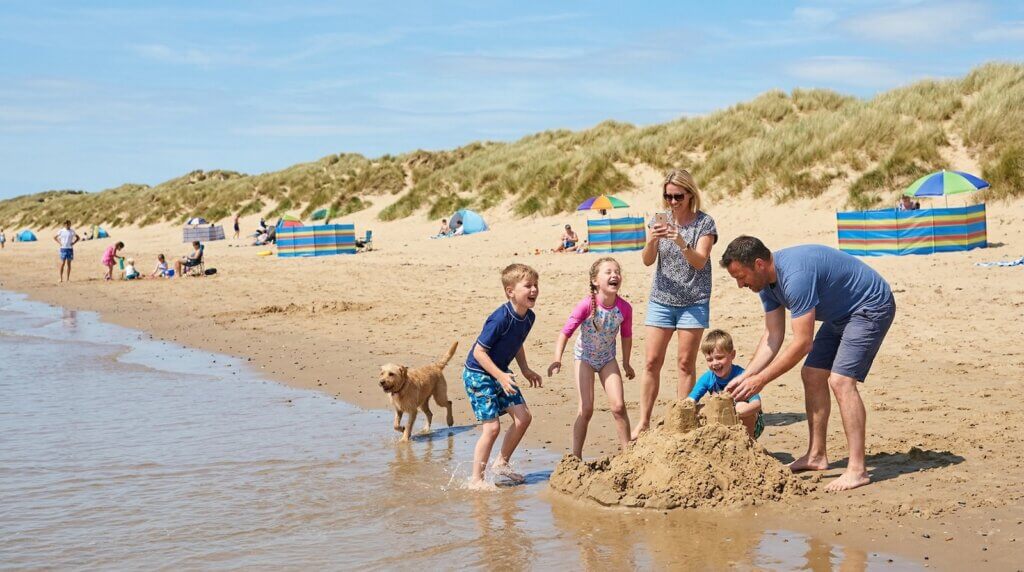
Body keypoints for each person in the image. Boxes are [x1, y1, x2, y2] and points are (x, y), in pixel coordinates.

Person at [720, 236, 896, 492]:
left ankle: (857, 470)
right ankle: (816, 455)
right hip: (840, 314)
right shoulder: (766, 285)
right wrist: (747, 374)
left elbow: (803, 343)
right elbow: (773, 336)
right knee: (812, 374)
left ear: (758, 264)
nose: (739, 285)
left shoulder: (795, 276)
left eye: (740, 276)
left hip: (870, 306)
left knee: (841, 381)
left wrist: (761, 380)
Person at [633, 169, 718, 439]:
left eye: (677, 196)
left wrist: (680, 240)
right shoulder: (659, 221)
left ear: (690, 194)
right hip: (662, 299)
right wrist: (653, 240)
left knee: (684, 363)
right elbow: (647, 261)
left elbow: (700, 261)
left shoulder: (705, 224)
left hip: (694, 300)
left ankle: (682, 421)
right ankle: (644, 421)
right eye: (667, 196)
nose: (672, 201)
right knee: (651, 361)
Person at [463, 263, 543, 490]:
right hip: (478, 374)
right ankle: (476, 480)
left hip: (500, 373)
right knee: (492, 428)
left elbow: (516, 343)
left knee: (523, 418)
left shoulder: (528, 317)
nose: (534, 290)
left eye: (536, 285)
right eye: (528, 286)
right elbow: (479, 352)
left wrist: (525, 369)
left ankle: (501, 464)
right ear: (510, 292)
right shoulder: (499, 318)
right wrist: (499, 376)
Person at [548, 257, 634, 458]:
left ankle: (629, 454)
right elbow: (565, 332)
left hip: (607, 359)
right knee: (586, 409)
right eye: (608, 272)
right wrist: (557, 358)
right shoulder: (586, 305)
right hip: (584, 358)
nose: (614, 275)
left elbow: (627, 336)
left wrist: (626, 363)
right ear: (595, 281)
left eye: (617, 271)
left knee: (619, 407)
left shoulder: (625, 308)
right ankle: (576, 457)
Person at [685, 329, 764, 439]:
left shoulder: (741, 375)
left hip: (750, 423)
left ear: (732, 355)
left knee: (741, 405)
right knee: (699, 409)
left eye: (719, 357)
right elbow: (690, 401)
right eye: (710, 360)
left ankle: (749, 445)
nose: (715, 363)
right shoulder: (708, 378)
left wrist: (731, 413)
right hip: (719, 423)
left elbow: (756, 405)